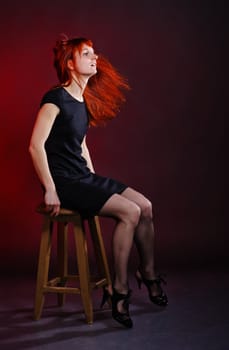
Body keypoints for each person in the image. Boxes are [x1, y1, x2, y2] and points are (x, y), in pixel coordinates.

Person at [29, 35, 168, 328]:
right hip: (65, 184)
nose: (95, 58)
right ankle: (119, 289)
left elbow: (81, 146)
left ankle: (148, 272)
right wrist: (51, 189)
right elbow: (35, 145)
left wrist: (93, 177)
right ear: (70, 64)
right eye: (87, 54)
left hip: (82, 178)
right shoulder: (55, 99)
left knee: (145, 206)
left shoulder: (82, 101)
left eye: (95, 53)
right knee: (129, 212)